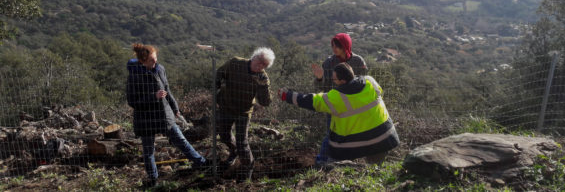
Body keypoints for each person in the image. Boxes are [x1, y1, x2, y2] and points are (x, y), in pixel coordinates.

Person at [280, 62, 399, 164]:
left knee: (334, 163)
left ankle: (324, 168)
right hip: (385, 137)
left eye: (334, 79)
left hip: (353, 145)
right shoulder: (370, 81)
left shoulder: (336, 97)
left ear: (342, 81)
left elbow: (310, 100)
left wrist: (287, 95)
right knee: (375, 171)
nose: (333, 81)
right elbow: (379, 93)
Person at [126, 43, 208, 187]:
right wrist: (154, 96)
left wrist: (175, 108)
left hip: (164, 114)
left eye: (155, 58)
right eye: (152, 60)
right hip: (145, 119)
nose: (155, 61)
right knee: (148, 151)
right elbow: (132, 101)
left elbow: (167, 90)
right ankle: (153, 180)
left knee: (180, 140)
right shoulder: (134, 76)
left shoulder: (160, 69)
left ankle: (200, 162)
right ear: (142, 61)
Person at [216, 47, 275, 180]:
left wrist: (263, 86)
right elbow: (218, 75)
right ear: (254, 56)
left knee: (242, 143)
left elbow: (265, 102)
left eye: (264, 65)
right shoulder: (235, 63)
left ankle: (247, 170)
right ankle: (234, 151)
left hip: (244, 111)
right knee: (224, 135)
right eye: (259, 61)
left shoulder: (262, 77)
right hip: (226, 106)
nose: (260, 65)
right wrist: (216, 95)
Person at [311, 33, 367, 164]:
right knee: (331, 134)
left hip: (353, 106)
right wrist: (319, 78)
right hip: (334, 104)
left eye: (338, 46)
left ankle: (346, 161)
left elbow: (363, 82)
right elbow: (320, 87)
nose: (334, 48)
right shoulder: (329, 62)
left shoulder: (358, 62)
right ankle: (323, 161)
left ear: (346, 46)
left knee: (351, 133)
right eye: (333, 45)